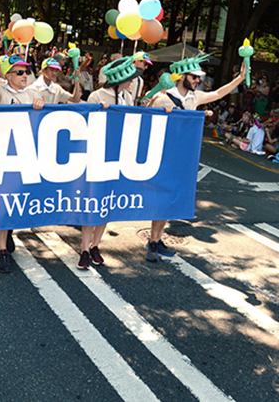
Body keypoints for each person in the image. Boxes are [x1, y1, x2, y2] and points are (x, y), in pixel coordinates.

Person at [145, 56, 246, 262]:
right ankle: (153, 242)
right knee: (163, 199)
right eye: (194, 77)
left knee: (171, 199)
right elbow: (144, 119)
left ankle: (156, 239)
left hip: (182, 157)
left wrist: (239, 79)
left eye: (198, 78)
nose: (198, 81)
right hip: (163, 156)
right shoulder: (163, 97)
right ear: (182, 76)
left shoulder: (194, 97)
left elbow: (218, 93)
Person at [0, 28, 44, 273]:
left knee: (19, 199)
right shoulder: (1, 92)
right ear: (8, 76)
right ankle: (1, 250)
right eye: (19, 72)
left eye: (27, 71)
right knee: (3, 202)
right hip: (2, 155)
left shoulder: (34, 93)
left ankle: (8, 230)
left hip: (26, 155)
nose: (25, 75)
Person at [78, 56, 141, 268]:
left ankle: (96, 245)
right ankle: (84, 249)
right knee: (93, 201)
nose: (132, 81)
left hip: (117, 155)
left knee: (108, 202)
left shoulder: (128, 96)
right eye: (129, 77)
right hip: (97, 155)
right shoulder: (97, 95)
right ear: (118, 78)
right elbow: (85, 124)